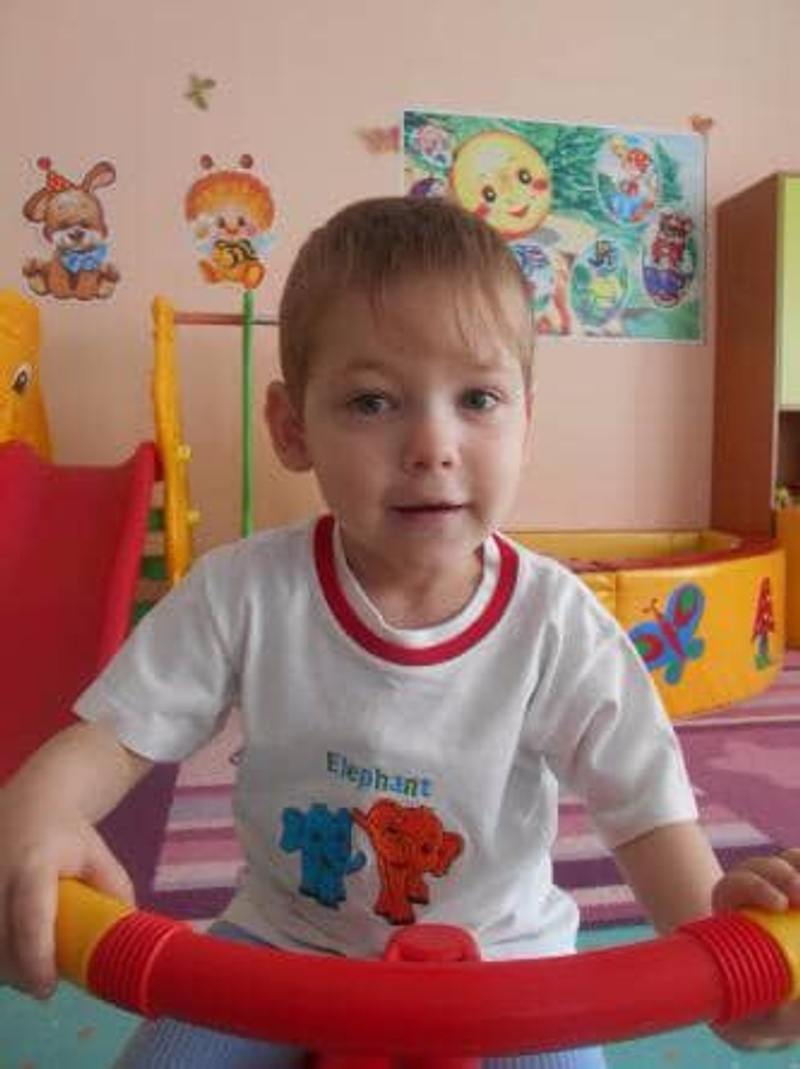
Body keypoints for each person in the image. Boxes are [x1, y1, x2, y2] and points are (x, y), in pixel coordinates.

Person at [1, 196, 800, 1068]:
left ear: (525, 421)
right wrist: (34, 813)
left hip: (506, 968)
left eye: (478, 398)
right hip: (281, 951)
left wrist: (726, 959)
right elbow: (113, 738)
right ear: (292, 428)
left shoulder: (559, 624)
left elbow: (647, 816)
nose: (432, 445)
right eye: (373, 401)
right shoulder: (242, 590)